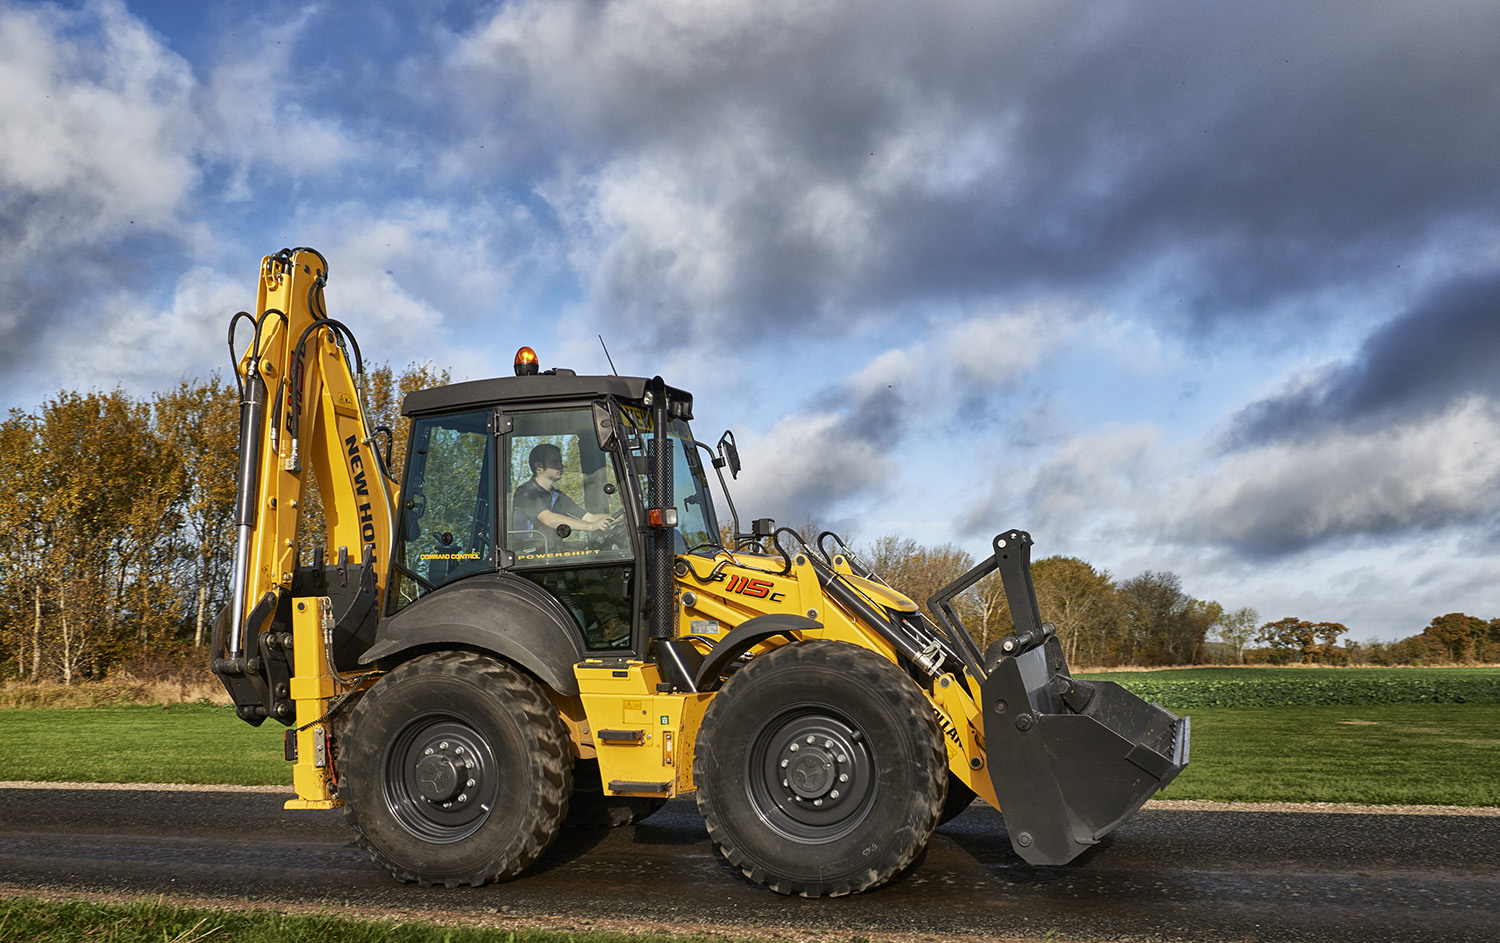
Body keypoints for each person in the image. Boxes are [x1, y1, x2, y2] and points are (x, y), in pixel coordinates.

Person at [512, 442, 618, 537]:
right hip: (530, 554)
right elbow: (549, 519)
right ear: (539, 466)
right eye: (555, 462)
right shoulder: (525, 493)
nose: (561, 466)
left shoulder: (557, 496)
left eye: (560, 462)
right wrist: (591, 527)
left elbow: (589, 517)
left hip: (553, 554)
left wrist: (623, 518)